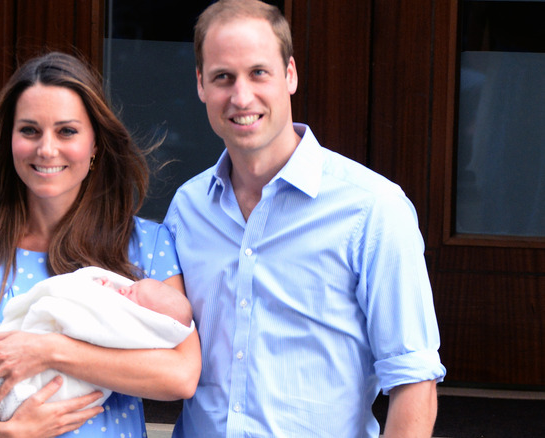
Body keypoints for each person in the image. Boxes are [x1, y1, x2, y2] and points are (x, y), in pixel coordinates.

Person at [163, 1, 446, 437]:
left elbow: (414, 379)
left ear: (289, 75)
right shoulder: (188, 209)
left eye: (259, 72)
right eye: (223, 77)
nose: (241, 97)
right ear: (200, 84)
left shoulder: (373, 209)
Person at [0, 51, 200, 438]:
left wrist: (47, 351)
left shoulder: (145, 245)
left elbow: (180, 376)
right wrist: (10, 433)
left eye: (66, 131)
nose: (46, 149)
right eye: (29, 130)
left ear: (95, 145)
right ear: (9, 140)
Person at [0, 266, 194, 421]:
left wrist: (48, 350)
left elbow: (180, 378)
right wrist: (5, 434)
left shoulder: (149, 244)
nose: (125, 290)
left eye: (133, 294)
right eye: (131, 287)